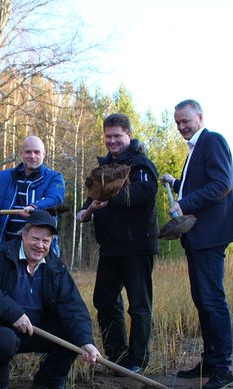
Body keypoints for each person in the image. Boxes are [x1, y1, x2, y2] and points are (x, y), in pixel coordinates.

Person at [0, 209, 101, 389]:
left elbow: (73, 307)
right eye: (35, 239)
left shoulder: (56, 267)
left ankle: (48, 383)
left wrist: (86, 342)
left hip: (35, 330)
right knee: (5, 340)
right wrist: (14, 314)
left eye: (46, 241)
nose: (40, 246)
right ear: (24, 235)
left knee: (73, 334)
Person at [161, 100, 233, 389]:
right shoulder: (196, 149)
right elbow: (200, 184)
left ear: (199, 117)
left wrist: (182, 204)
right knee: (202, 299)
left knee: (212, 300)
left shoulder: (212, 141)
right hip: (198, 236)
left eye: (186, 121)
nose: (182, 126)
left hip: (211, 234)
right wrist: (177, 184)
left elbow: (222, 184)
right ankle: (210, 362)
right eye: (178, 123)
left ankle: (223, 369)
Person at [75, 113, 159, 374]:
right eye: (108, 136)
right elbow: (95, 197)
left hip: (137, 246)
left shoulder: (141, 165)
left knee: (139, 305)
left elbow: (146, 192)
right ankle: (116, 355)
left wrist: (111, 200)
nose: (112, 141)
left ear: (128, 136)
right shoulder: (103, 168)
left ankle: (137, 360)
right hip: (110, 248)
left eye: (117, 136)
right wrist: (85, 209)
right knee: (104, 299)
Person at [0, 135, 65, 255]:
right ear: (21, 153)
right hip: (4, 247)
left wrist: (35, 207)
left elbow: (55, 198)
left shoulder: (54, 178)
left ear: (44, 153)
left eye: (36, 152)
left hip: (38, 250)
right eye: (28, 152)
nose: (32, 156)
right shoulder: (5, 176)